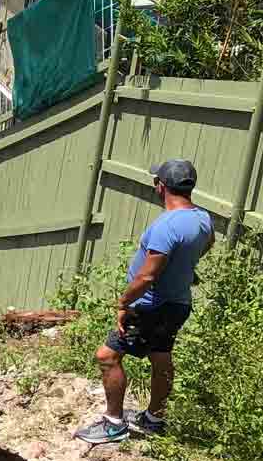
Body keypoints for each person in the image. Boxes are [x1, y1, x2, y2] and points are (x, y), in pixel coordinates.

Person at [76, 159, 215, 444]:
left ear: (161, 186)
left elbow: (147, 277)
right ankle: (154, 419)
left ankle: (114, 424)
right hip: (178, 305)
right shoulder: (202, 218)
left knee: (107, 356)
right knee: (161, 356)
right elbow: (208, 243)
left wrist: (123, 303)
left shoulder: (166, 226)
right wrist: (183, 267)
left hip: (151, 306)